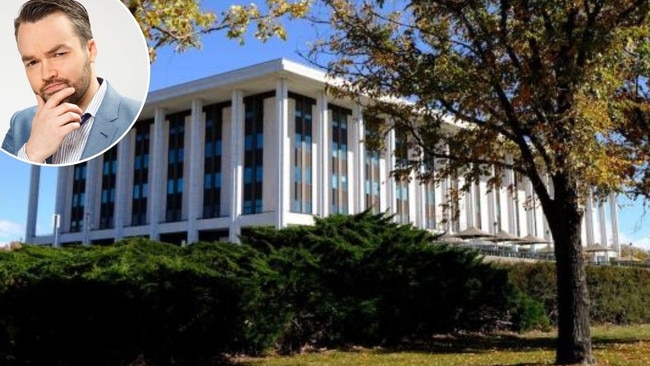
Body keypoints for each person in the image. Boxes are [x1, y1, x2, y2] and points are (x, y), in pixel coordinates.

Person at [2, 0, 140, 165]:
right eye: (33, 62)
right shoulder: (20, 123)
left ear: (90, 51)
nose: (46, 74)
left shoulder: (133, 115)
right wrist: (31, 153)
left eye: (59, 54)